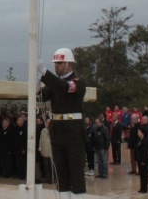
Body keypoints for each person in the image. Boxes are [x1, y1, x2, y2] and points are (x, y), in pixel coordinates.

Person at [37, 48, 87, 198]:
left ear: (69, 63)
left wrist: (45, 73)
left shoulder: (78, 82)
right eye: (55, 63)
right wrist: (37, 80)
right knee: (61, 175)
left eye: (59, 63)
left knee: (76, 174)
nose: (56, 65)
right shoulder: (54, 84)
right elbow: (40, 96)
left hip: (73, 133)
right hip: (58, 131)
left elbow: (64, 87)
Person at [135, 127, 148, 194]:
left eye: (139, 132)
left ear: (142, 133)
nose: (138, 133)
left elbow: (145, 151)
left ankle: (145, 188)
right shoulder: (139, 140)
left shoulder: (145, 140)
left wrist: (143, 160)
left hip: (143, 160)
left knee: (144, 174)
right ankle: (142, 187)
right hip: (139, 159)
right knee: (141, 174)